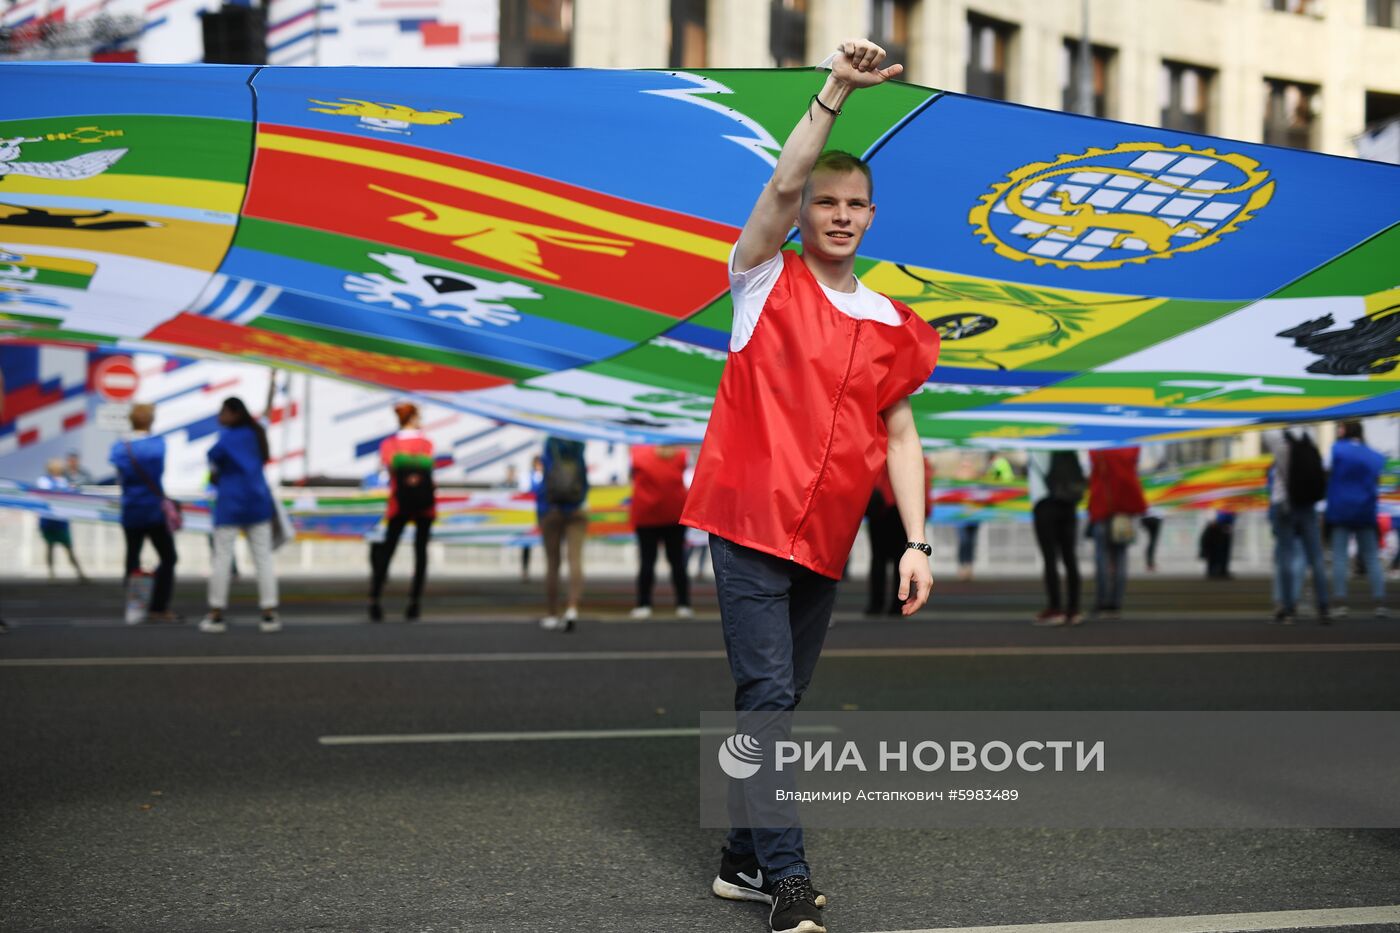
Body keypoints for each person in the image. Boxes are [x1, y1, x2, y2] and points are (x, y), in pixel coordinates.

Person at [679, 39, 937, 933]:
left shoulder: (893, 324)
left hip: (825, 538)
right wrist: (834, 91)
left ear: (870, 216)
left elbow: (901, 435)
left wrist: (916, 542)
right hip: (747, 520)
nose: (835, 214)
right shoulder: (759, 277)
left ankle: (740, 861)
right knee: (766, 698)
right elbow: (777, 189)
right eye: (824, 202)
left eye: (852, 204)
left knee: (781, 702)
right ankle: (787, 884)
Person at [199, 397, 280, 633]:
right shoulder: (257, 434)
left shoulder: (225, 440)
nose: (219, 417)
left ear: (233, 413)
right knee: (263, 558)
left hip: (230, 503)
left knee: (222, 558)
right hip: (258, 501)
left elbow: (214, 464)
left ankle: (216, 613)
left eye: (222, 412)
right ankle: (269, 613)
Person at [109, 403, 180, 623]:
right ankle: (158, 606)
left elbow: (119, 473)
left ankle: (135, 604)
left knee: (132, 556)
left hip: (131, 508)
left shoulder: (119, 448)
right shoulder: (158, 445)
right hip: (153, 510)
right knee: (168, 557)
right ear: (150, 420)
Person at [369, 402, 437, 622]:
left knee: (388, 550)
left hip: (399, 502)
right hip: (424, 504)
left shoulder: (389, 445)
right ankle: (414, 602)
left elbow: (387, 469)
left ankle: (375, 599)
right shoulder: (426, 444)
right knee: (420, 554)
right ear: (414, 418)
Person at [1268, 429, 1330, 625]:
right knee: (1316, 558)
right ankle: (1324, 608)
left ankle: (1287, 609)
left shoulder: (1276, 439)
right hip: (1308, 504)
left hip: (1284, 504)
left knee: (1285, 557)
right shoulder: (1309, 436)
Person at [1325, 420, 1387, 618]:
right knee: (1371, 558)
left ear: (1345, 430)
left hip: (1340, 510)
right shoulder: (1374, 455)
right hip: (1365, 510)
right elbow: (1377, 480)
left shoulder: (1336, 449)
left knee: (1340, 557)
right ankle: (1380, 603)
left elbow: (1325, 472)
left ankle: (1341, 603)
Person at [628, 444, 693, 619]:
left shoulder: (637, 453)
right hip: (674, 513)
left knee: (647, 561)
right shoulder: (681, 453)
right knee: (678, 561)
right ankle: (683, 603)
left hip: (646, 515)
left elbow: (632, 477)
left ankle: (644, 603)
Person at [1087, 446, 1148, 619]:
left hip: (1103, 507)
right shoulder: (1131, 448)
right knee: (1121, 558)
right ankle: (1116, 603)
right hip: (1124, 511)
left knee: (1102, 559)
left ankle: (1102, 601)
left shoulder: (1099, 449)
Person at [1028, 449, 1085, 626]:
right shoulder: (1069, 445)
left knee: (1050, 558)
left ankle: (1055, 608)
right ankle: (1073, 609)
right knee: (1070, 557)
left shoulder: (1035, 444)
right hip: (1068, 502)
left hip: (1045, 503)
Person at [538, 436, 588, 631]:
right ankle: (572, 608)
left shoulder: (550, 442)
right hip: (576, 509)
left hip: (551, 510)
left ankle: (552, 613)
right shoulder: (579, 442)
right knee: (575, 559)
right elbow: (583, 478)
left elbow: (547, 477)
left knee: (553, 563)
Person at [36, 458, 88, 582]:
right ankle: (51, 574)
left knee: (68, 548)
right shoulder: (44, 481)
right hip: (48, 520)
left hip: (61, 521)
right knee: (50, 547)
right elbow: (45, 495)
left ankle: (80, 573)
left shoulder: (64, 481)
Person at [1199, 511, 1235, 580]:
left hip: (1224, 527)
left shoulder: (1228, 507)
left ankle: (1221, 571)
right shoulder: (1217, 507)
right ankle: (1215, 571)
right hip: (1218, 528)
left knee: (1223, 551)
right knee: (1215, 551)